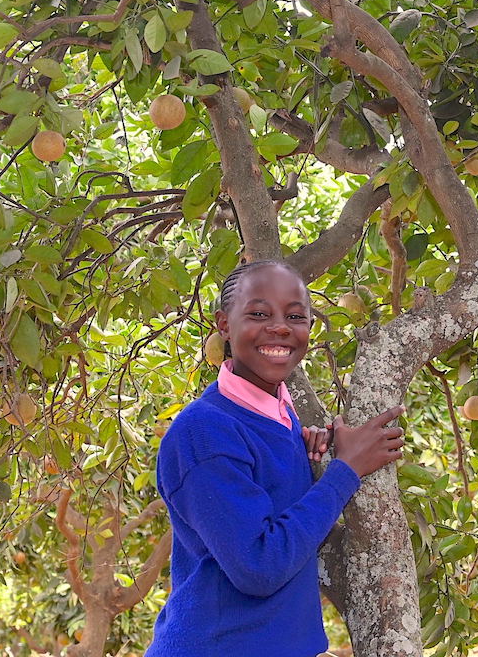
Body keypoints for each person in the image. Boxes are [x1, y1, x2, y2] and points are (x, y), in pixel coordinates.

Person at [146, 259, 405, 657]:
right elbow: (259, 566)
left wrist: (307, 462)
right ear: (223, 324)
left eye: (296, 316)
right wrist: (345, 470)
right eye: (259, 314)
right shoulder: (204, 431)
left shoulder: (279, 414)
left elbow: (277, 512)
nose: (281, 327)